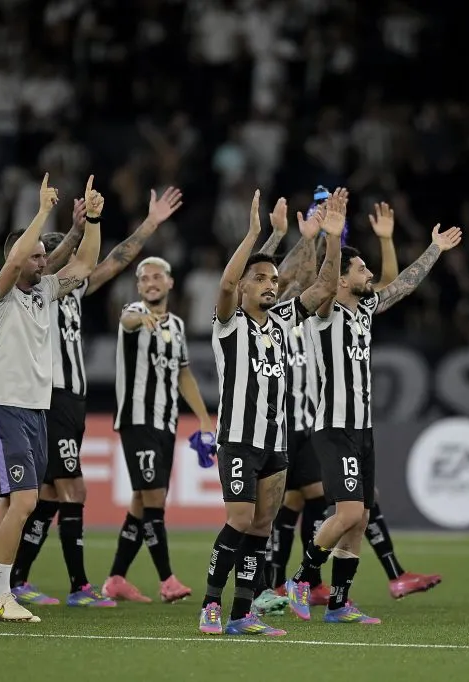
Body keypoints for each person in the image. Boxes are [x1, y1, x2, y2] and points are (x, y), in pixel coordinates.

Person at [9, 187, 185, 607]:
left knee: (51, 495)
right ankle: (79, 587)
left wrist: (151, 223)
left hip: (73, 400)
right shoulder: (38, 294)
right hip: (53, 397)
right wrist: (79, 227)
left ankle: (17, 580)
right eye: (63, 258)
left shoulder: (73, 293)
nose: (78, 264)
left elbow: (117, 260)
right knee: (75, 490)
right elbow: (78, 262)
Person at [285, 218, 463, 624]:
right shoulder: (325, 311)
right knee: (348, 514)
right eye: (361, 269)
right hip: (334, 428)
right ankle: (301, 579)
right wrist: (333, 237)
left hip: (362, 430)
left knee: (361, 517)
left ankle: (339, 603)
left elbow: (403, 285)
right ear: (341, 279)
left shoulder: (364, 310)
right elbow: (324, 281)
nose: (370, 274)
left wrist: (434, 249)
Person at [198, 188, 343, 637]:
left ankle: (243, 613)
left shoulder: (282, 322)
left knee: (262, 526)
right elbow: (225, 285)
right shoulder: (228, 324)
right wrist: (255, 235)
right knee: (239, 520)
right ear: (245, 285)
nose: (270, 284)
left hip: (275, 444)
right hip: (239, 440)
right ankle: (210, 605)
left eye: (273, 280)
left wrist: (332, 238)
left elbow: (325, 288)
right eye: (260, 278)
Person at [0, 173, 102, 623]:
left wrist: (93, 221)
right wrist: (43, 210)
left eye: (43, 254)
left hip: (36, 410)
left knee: (13, 504)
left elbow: (84, 264)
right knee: (26, 501)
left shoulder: (45, 292)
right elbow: (14, 262)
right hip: (3, 405)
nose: (43, 259)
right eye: (36, 254)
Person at [102, 252, 215, 604]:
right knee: (153, 500)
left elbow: (183, 374)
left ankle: (116, 579)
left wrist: (205, 419)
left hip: (166, 423)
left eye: (157, 277)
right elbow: (126, 320)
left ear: (170, 282)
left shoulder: (176, 326)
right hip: (138, 421)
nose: (151, 283)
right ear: (138, 287)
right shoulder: (134, 313)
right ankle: (167, 580)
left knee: (143, 500)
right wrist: (140, 317)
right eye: (144, 279)